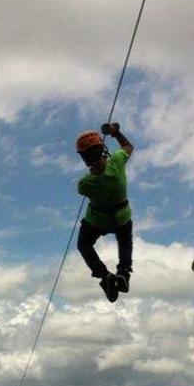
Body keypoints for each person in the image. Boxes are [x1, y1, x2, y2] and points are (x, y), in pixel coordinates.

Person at [76, 122, 133, 302]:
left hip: (97, 221)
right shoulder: (117, 161)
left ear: (84, 158)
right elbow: (128, 147)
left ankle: (104, 276)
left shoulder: (85, 184)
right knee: (124, 239)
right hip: (121, 217)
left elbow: (92, 179)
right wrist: (116, 133)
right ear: (102, 149)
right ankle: (123, 271)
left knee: (84, 245)